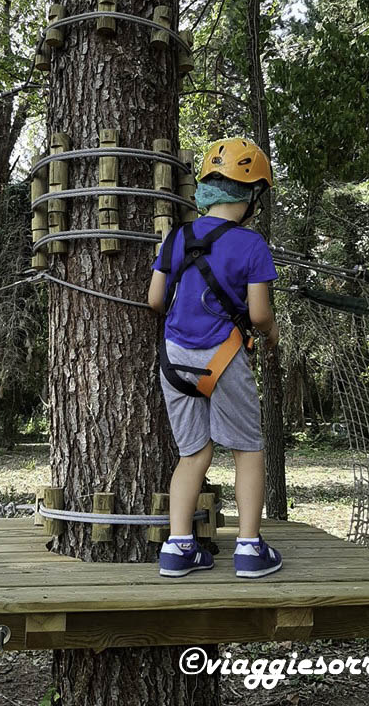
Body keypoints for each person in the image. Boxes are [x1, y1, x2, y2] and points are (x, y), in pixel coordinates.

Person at [147, 137, 283, 579]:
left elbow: (154, 299)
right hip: (223, 358)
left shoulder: (177, 237)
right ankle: (247, 548)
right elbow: (259, 313)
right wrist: (271, 333)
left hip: (175, 361)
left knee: (193, 455)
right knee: (248, 450)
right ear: (250, 196)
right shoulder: (252, 245)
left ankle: (178, 547)